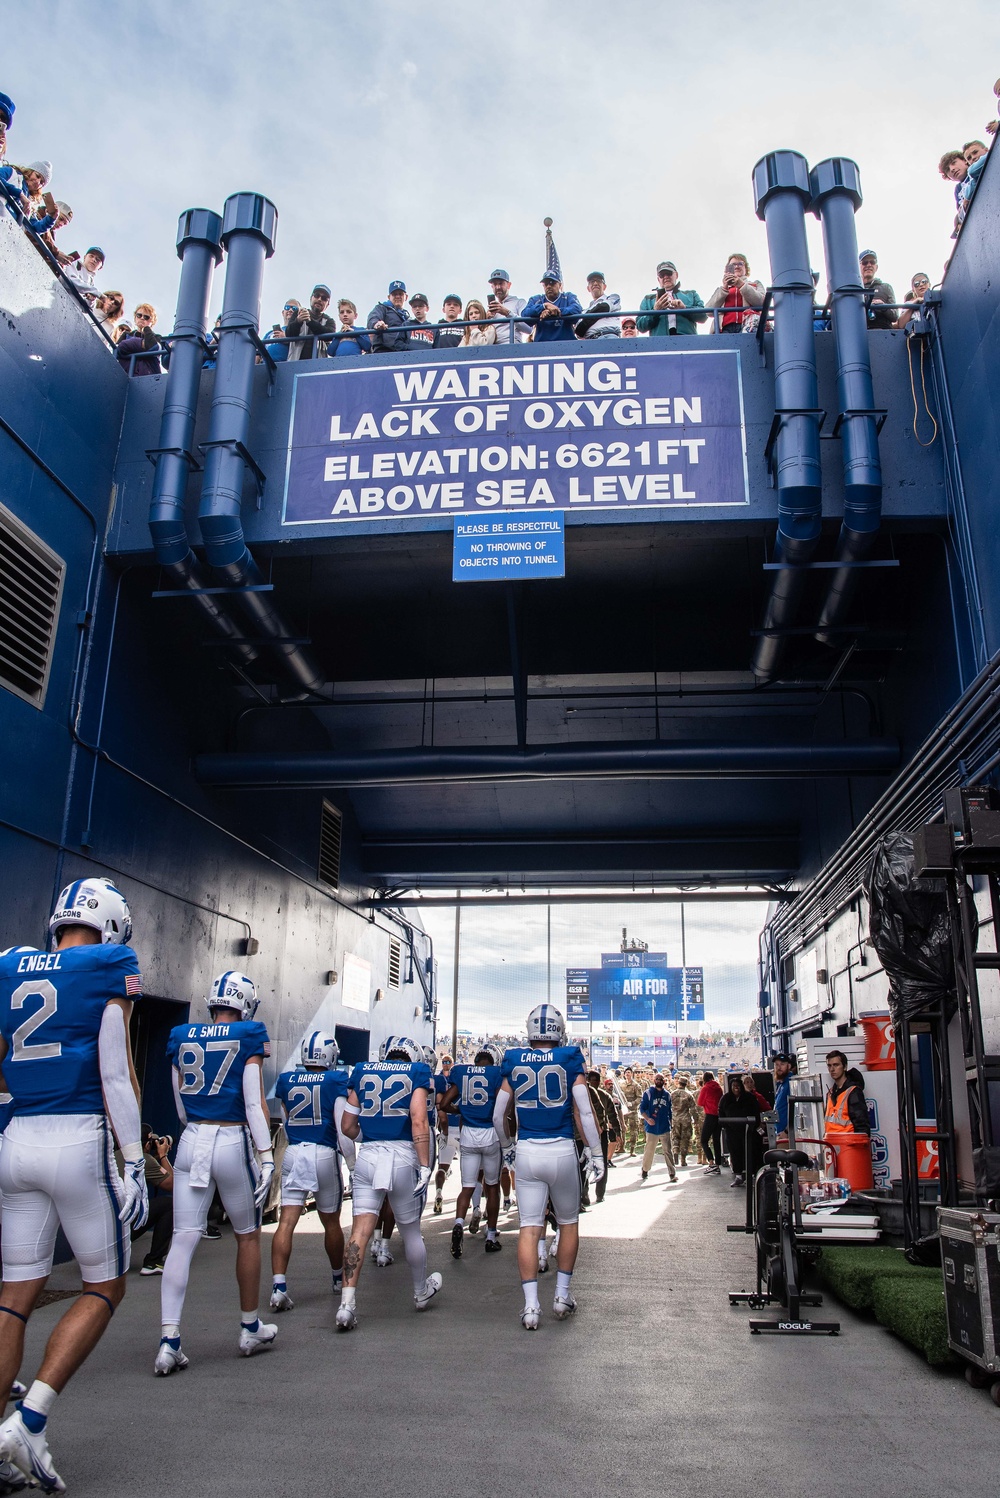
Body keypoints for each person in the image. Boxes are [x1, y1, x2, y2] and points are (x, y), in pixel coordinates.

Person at [0, 878, 147, 1493]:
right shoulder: (110, 965)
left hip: (15, 1142)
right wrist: (135, 1159)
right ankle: (28, 1425)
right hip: (77, 1138)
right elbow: (114, 1072)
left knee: (14, 1295)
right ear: (113, 925)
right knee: (105, 1284)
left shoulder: (8, 965)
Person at [153, 971, 276, 1375]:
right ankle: (248, 1327)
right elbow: (255, 1104)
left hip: (191, 1138)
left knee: (183, 1239)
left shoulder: (182, 1035)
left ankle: (169, 1340)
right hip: (231, 1138)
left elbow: (180, 1105)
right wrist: (267, 1156)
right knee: (247, 1236)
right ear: (246, 1004)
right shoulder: (248, 1035)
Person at [493, 1005, 603, 1330]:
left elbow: (500, 1113)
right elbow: (584, 1112)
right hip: (561, 1150)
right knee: (568, 1223)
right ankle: (562, 1295)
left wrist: (507, 1147)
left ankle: (530, 1307)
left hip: (527, 1150)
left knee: (529, 1227)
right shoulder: (569, 1058)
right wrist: (596, 1153)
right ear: (559, 1029)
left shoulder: (514, 1059)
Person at [335, 1036, 441, 1330]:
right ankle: (420, 1293)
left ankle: (346, 1304)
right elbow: (419, 1121)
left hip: (369, 1155)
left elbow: (346, 1125)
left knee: (359, 1232)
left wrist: (365, 1139)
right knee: (410, 1231)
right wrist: (423, 1166)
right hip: (403, 1154)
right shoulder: (416, 1073)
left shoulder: (364, 1071)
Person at [269, 1032, 353, 1313]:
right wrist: (352, 1166)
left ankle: (279, 1286)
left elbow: (285, 1119)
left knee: (286, 1221)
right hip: (323, 1152)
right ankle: (337, 1278)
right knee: (330, 1222)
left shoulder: (287, 1080)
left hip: (295, 1150)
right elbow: (343, 1131)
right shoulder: (336, 1080)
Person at [441, 1043, 504, 1257]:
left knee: (467, 1187)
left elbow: (444, 1104)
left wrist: (460, 1110)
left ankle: (459, 1223)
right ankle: (491, 1235)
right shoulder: (496, 1074)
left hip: (468, 1133)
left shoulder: (463, 1073)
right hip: (490, 1134)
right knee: (492, 1186)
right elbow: (503, 1106)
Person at [132, 1125, 174, 1276]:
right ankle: (153, 1262)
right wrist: (163, 1156)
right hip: (123, 1230)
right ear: (148, 1144)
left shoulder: (114, 1155)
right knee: (169, 1205)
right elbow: (171, 1184)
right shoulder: (144, 1160)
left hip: (98, 1235)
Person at [638, 261, 706, 337]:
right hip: (660, 343)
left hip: (687, 341)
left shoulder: (691, 294)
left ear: (676, 275)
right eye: (662, 275)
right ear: (658, 279)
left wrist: (684, 308)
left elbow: (704, 316)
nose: (666, 277)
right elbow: (640, 326)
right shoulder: (648, 299)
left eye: (669, 273)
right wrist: (655, 311)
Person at [718, 1074, 762, 1187]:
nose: (736, 1088)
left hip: (748, 1130)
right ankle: (738, 1176)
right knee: (735, 1153)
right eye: (734, 1086)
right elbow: (721, 1111)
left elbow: (756, 1111)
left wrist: (754, 1124)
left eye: (738, 1085)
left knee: (749, 1152)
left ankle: (751, 1175)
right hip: (732, 1131)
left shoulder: (749, 1097)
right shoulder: (726, 1098)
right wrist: (725, 1124)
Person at [706, 253, 765, 333]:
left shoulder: (755, 284)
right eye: (733, 265)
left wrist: (741, 285)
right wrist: (724, 289)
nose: (737, 267)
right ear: (728, 269)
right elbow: (708, 311)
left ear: (746, 268)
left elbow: (762, 302)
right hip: (724, 329)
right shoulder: (721, 290)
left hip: (748, 327)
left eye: (740, 264)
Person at [522, 274, 582, 343]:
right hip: (542, 345)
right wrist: (543, 306)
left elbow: (577, 309)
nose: (549, 286)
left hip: (567, 344)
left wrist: (554, 312)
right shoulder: (536, 299)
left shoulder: (568, 296)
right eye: (546, 284)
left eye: (552, 283)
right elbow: (525, 313)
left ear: (560, 285)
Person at [639, 1073, 676, 1184]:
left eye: (661, 1079)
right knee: (649, 1150)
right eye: (657, 1079)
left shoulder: (667, 1095)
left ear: (664, 1081)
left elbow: (670, 1111)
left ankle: (672, 1173)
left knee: (668, 1151)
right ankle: (645, 1169)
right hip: (652, 1128)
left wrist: (671, 1124)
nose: (659, 1081)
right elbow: (642, 1108)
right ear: (654, 1080)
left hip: (664, 1127)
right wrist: (647, 1119)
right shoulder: (648, 1093)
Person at [824, 1050, 870, 1138]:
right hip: (832, 1145)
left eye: (836, 1065)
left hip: (849, 1147)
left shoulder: (853, 1092)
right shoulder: (830, 1093)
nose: (832, 1069)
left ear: (844, 1067)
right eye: (829, 1066)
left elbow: (862, 1127)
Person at [432, 1052, 457, 1213]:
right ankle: (470, 1201)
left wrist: (444, 1131)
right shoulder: (453, 1079)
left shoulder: (440, 1080)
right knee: (470, 1170)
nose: (446, 1063)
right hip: (458, 1126)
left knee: (442, 1166)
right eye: (445, 1061)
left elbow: (440, 1107)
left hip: (447, 1127)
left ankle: (439, 1192)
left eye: (448, 1061)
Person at [288, 284, 336, 360]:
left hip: (317, 366)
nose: (319, 299)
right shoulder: (298, 313)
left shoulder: (329, 321)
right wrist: (298, 321)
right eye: (317, 295)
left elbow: (330, 336)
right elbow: (289, 334)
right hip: (295, 363)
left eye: (324, 298)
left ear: (327, 305)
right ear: (311, 298)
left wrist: (309, 321)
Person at [116, 304, 162, 377]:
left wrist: (146, 328)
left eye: (146, 317)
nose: (142, 318)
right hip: (126, 373)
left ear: (152, 321)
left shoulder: (156, 337)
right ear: (135, 317)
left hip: (148, 376)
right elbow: (118, 351)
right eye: (139, 315)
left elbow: (153, 347)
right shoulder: (127, 335)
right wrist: (142, 345)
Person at [367, 280, 411, 353]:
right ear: (389, 297)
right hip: (385, 351)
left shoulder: (407, 318)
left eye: (400, 294)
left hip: (403, 351)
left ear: (406, 297)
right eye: (394, 294)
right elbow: (373, 318)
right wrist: (376, 324)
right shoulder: (382, 308)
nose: (397, 296)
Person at [575, 272, 622, 339]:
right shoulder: (584, 311)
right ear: (588, 288)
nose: (595, 283)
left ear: (604, 286)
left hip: (609, 336)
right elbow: (578, 332)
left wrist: (585, 321)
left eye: (599, 281)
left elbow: (604, 307)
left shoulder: (613, 298)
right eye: (592, 282)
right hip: (590, 341)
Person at [486, 269, 528, 343]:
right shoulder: (492, 308)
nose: (498, 287)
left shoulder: (519, 302)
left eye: (501, 283)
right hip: (492, 348)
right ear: (492, 287)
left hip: (512, 346)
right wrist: (487, 320)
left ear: (509, 285)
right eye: (495, 284)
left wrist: (507, 313)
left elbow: (528, 328)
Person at [858, 251, 896, 330]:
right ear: (858, 267)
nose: (869, 265)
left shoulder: (886, 287)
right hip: (858, 332)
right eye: (865, 262)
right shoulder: (854, 289)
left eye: (872, 262)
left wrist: (883, 306)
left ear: (876, 267)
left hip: (882, 332)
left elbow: (894, 316)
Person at [696, 1070, 724, 1174]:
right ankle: (717, 1164)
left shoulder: (706, 1088)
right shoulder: (718, 1087)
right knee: (716, 1140)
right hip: (719, 1116)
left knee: (704, 1140)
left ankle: (711, 1162)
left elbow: (700, 1102)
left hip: (710, 1116)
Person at [669, 1075, 697, 1167]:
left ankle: (675, 1151)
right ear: (686, 1084)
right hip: (685, 1118)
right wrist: (696, 1119)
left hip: (675, 1118)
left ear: (679, 1083)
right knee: (685, 1138)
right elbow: (693, 1109)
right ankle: (683, 1160)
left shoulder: (672, 1094)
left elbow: (668, 1107)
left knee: (675, 1136)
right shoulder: (689, 1094)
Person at [771, 1051, 796, 1143]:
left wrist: (787, 1131)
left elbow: (797, 1110)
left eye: (782, 1064)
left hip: (788, 1135)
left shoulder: (791, 1083)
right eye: (776, 1065)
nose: (779, 1067)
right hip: (780, 1133)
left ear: (789, 1066)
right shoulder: (781, 1084)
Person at [619, 1066, 643, 1153]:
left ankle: (632, 1149)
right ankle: (621, 1147)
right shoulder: (621, 1084)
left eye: (629, 1072)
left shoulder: (636, 1085)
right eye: (626, 1073)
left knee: (634, 1130)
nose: (627, 1074)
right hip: (624, 1111)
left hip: (633, 1111)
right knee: (622, 1128)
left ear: (631, 1074)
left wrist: (632, 1103)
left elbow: (640, 1098)